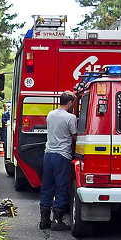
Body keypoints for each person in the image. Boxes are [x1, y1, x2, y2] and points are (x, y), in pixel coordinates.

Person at [39, 91, 77, 231]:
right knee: (61, 187)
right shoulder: (71, 118)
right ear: (70, 103)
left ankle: (44, 220)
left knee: (47, 186)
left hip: (48, 154)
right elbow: (74, 136)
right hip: (62, 156)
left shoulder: (50, 114)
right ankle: (57, 221)